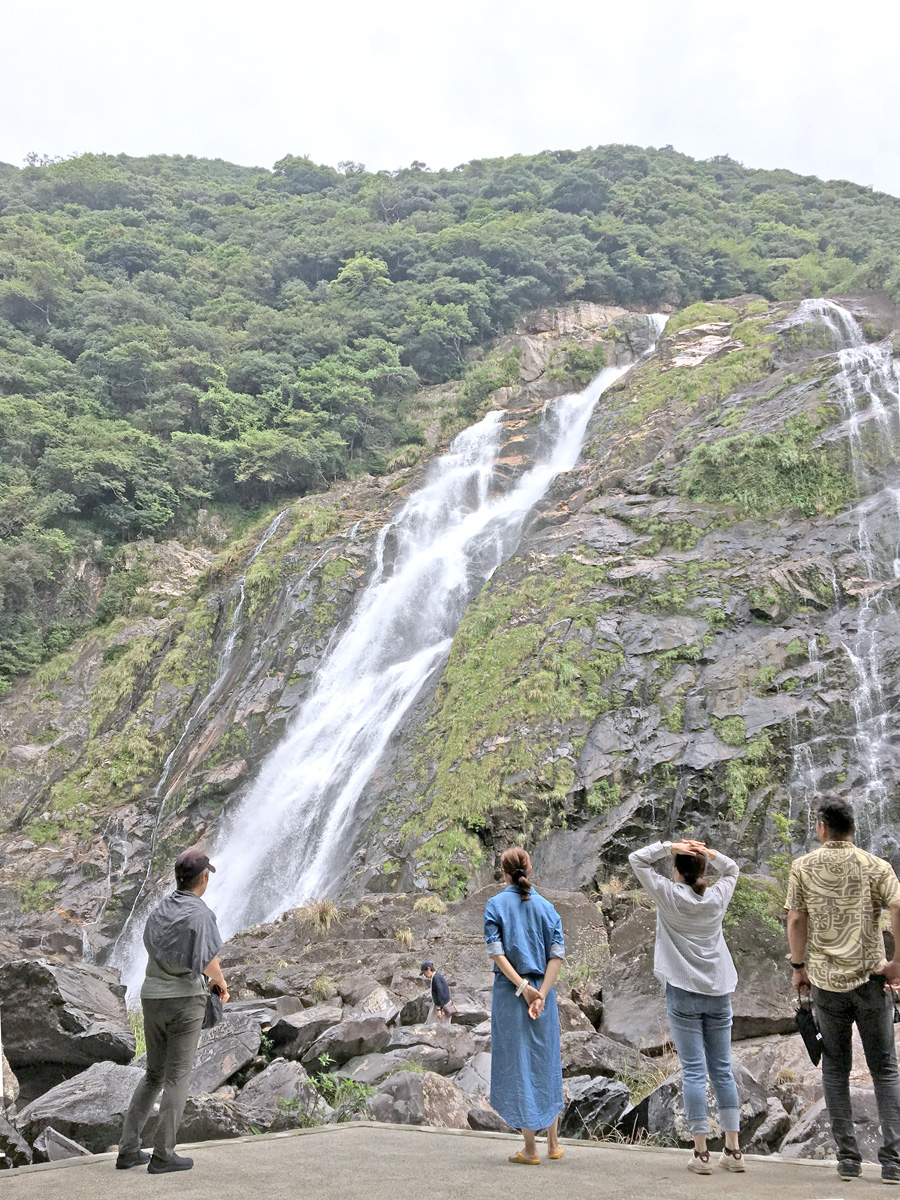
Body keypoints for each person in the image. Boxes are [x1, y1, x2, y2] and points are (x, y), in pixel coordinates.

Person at [786, 795, 900, 1185]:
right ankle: (893, 1163)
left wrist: (799, 968)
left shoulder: (803, 866)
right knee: (885, 1069)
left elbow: (797, 919)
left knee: (835, 1069)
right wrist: (897, 960)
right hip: (872, 980)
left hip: (825, 983)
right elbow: (898, 905)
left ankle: (848, 1160)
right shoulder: (876, 865)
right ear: (854, 828)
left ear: (821, 827)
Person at [629, 837, 744, 1175]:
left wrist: (670, 846)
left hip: (682, 992)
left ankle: (701, 1153)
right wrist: (709, 854)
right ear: (702, 869)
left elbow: (637, 858)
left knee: (694, 1070)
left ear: (676, 870)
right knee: (721, 1068)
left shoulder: (668, 895)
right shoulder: (717, 897)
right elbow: (733, 869)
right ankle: (734, 1151)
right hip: (718, 990)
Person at [116, 847, 229, 1175]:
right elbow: (208, 959)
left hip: (151, 998)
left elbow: (152, 946)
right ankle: (163, 1155)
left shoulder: (160, 909)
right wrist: (220, 985)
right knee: (177, 1077)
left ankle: (128, 1150)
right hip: (183, 1003)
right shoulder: (201, 914)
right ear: (203, 879)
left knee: (153, 1074)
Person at [484, 846, 565, 1165]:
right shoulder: (548, 908)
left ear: (503, 873)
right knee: (546, 1060)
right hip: (546, 994)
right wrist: (541, 993)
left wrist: (524, 989)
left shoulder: (495, 904)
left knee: (519, 1064)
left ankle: (530, 1149)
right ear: (529, 870)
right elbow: (556, 956)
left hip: (511, 993)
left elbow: (496, 953)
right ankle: (553, 1144)